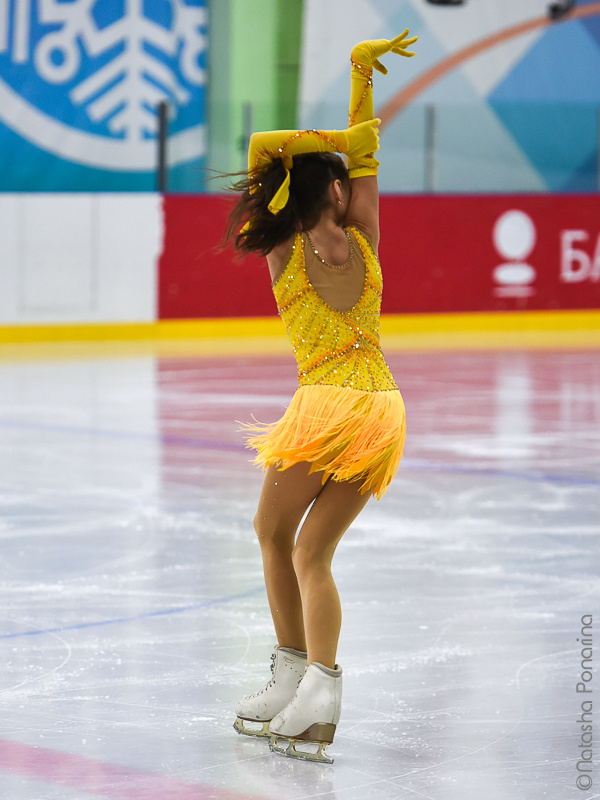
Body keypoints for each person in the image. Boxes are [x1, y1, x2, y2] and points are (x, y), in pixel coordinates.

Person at [225, 32, 417, 763]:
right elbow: (366, 157)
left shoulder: (282, 248)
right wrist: (359, 82)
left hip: (329, 406)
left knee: (276, 536)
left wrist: (335, 136)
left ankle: (292, 677)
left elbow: (260, 146)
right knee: (313, 552)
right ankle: (317, 698)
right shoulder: (366, 237)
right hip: (383, 409)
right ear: (337, 190)